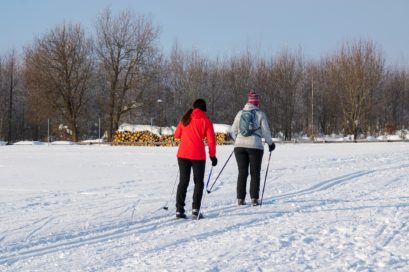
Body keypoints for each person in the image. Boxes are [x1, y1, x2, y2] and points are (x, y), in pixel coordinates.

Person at [174, 99, 217, 219]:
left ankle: (179, 210)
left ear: (193, 107)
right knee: (198, 182)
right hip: (198, 155)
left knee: (183, 181)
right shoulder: (206, 121)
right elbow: (211, 141)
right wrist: (212, 156)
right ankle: (195, 209)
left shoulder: (185, 118)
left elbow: (177, 135)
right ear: (204, 108)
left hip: (182, 154)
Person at [231, 90, 275, 206]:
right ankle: (254, 198)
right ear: (257, 102)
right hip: (255, 146)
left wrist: (238, 140)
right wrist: (270, 143)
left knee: (242, 172)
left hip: (239, 146)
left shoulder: (240, 113)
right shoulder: (260, 114)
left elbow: (233, 131)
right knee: (255, 173)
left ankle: (240, 199)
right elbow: (266, 132)